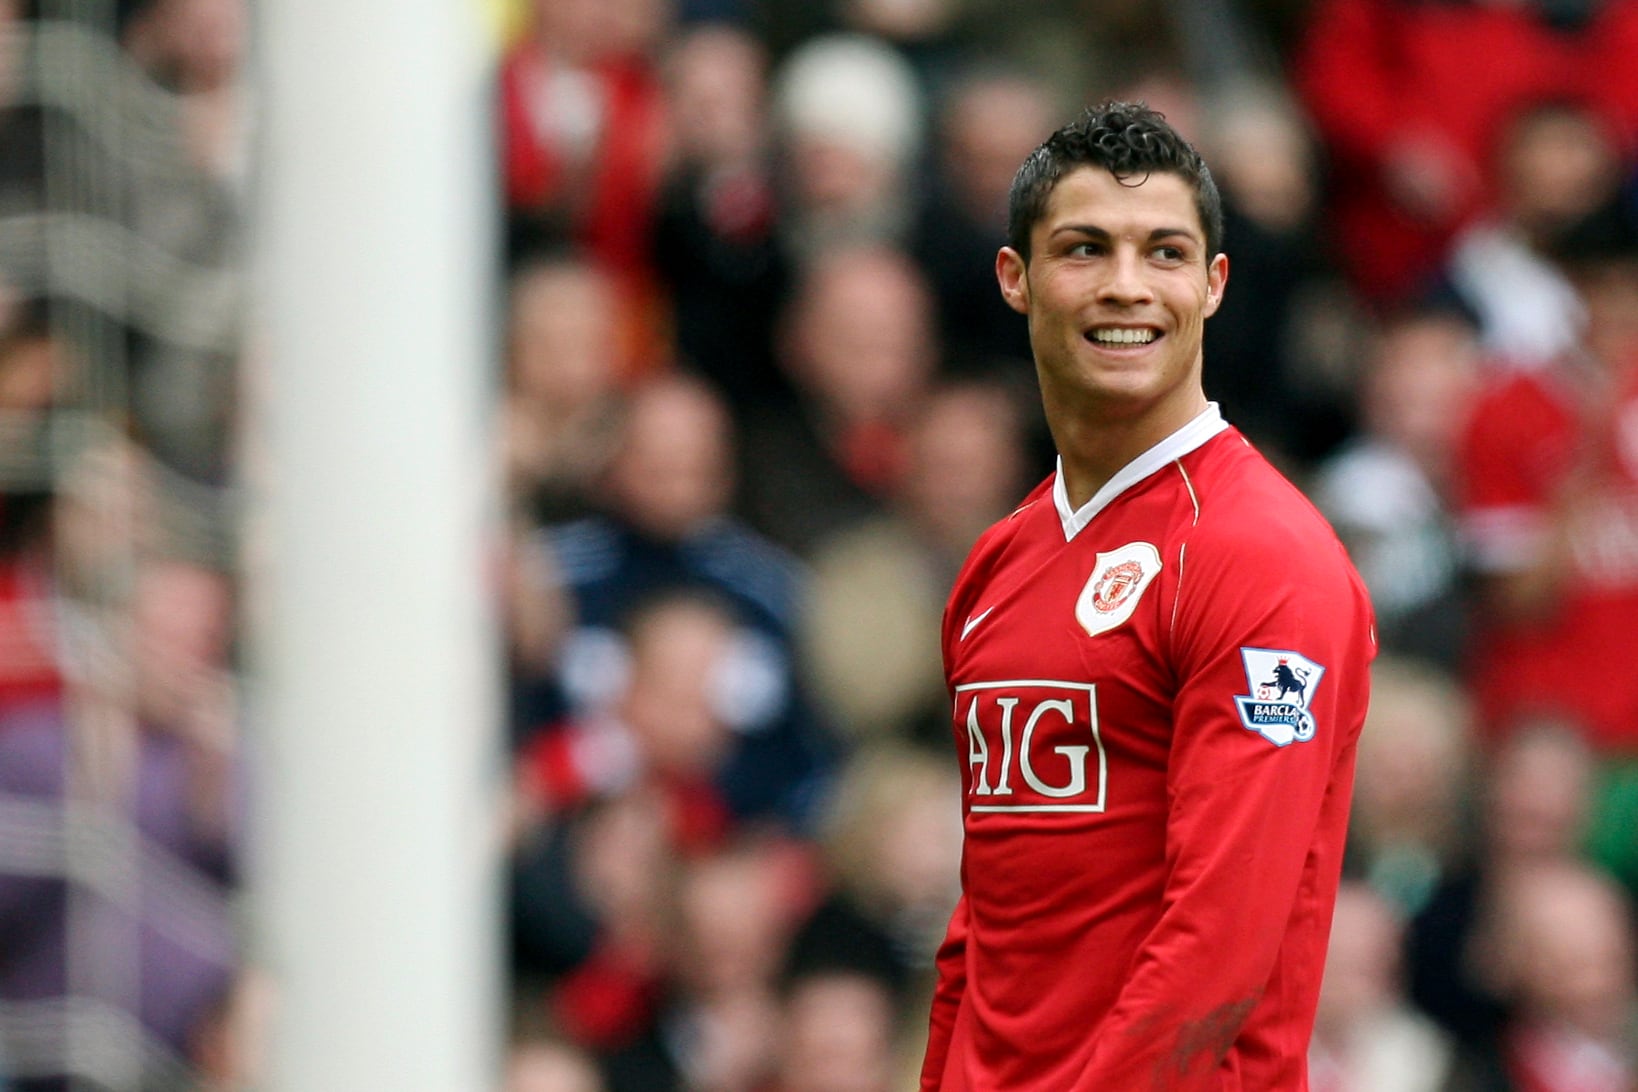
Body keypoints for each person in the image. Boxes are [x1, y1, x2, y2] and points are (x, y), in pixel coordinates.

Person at [919, 101, 1376, 1090]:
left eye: (1163, 252)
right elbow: (984, 922)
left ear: (1211, 285)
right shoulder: (999, 562)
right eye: (1085, 249)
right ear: (1016, 278)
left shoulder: (1262, 556)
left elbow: (1222, 945)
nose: (1128, 286)